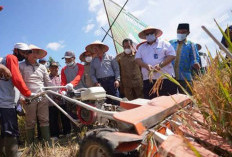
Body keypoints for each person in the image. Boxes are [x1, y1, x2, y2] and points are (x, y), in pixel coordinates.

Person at [0, 43, 34, 157]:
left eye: (26, 53)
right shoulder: (11, 58)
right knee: (10, 131)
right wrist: (28, 93)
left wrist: (20, 99)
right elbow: (17, 80)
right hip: (6, 103)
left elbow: (13, 85)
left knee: (5, 132)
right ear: (16, 50)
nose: (24, 55)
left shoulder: (6, 62)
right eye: (23, 52)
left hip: (7, 102)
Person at [19, 44, 52, 145]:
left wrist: (57, 91)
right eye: (33, 52)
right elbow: (19, 82)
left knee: (44, 119)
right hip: (29, 97)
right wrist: (21, 96)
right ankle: (31, 145)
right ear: (27, 53)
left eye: (37, 52)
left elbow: (48, 82)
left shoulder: (42, 67)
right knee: (30, 121)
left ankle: (47, 143)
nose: (35, 54)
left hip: (42, 95)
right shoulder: (21, 66)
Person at [135, 26, 177, 99]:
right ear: (145, 36)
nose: (149, 35)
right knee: (151, 103)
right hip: (149, 80)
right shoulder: (142, 47)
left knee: (168, 101)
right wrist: (145, 65)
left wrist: (160, 65)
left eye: (151, 33)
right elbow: (137, 59)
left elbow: (172, 55)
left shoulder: (164, 43)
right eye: (147, 34)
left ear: (155, 34)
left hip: (165, 79)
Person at [169, 23, 200, 94]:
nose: (180, 33)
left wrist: (195, 63)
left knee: (186, 99)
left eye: (183, 32)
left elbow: (194, 58)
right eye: (179, 32)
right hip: (171, 77)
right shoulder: (171, 43)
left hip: (185, 78)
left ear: (188, 33)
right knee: (171, 99)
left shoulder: (191, 44)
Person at [48, 62, 71, 139]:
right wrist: (54, 95)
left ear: (58, 68)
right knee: (53, 118)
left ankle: (67, 132)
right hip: (52, 100)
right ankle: (55, 135)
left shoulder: (62, 77)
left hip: (62, 99)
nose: (54, 69)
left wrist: (62, 94)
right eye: (52, 67)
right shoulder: (47, 78)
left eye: (56, 67)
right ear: (50, 68)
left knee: (65, 116)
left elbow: (65, 86)